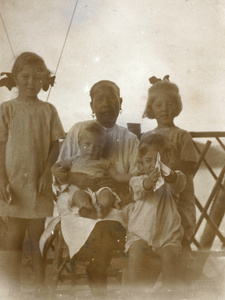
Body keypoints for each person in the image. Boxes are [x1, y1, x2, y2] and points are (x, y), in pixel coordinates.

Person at [41, 80, 139, 297]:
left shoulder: (129, 139)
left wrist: (114, 184)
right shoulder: (78, 130)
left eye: (111, 98)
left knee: (107, 220)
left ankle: (96, 273)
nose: (106, 104)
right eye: (99, 99)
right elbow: (60, 170)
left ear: (120, 102)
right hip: (78, 197)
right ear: (92, 105)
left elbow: (133, 179)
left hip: (110, 200)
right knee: (85, 217)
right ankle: (97, 276)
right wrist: (78, 178)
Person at [0, 52, 65, 298]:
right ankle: (11, 291)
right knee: (13, 239)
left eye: (37, 78)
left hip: (40, 185)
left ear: (44, 80)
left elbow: (55, 145)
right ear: (15, 78)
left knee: (38, 241)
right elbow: (0, 145)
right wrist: (2, 180)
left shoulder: (48, 110)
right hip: (13, 185)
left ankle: (41, 292)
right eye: (25, 77)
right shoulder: (6, 109)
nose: (30, 82)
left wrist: (47, 173)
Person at [121, 133, 186, 295]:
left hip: (168, 234)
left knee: (171, 258)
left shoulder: (172, 181)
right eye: (148, 160)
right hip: (141, 233)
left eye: (160, 159)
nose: (154, 164)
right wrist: (150, 181)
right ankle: (136, 295)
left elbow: (178, 182)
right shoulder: (136, 180)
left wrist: (167, 172)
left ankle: (169, 295)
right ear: (141, 164)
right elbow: (142, 188)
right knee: (136, 255)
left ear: (168, 162)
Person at [142, 76, 198, 253]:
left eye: (169, 104)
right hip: (157, 194)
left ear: (177, 107)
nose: (164, 109)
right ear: (151, 108)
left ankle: (183, 275)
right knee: (157, 230)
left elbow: (190, 165)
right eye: (158, 105)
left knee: (181, 232)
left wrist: (168, 170)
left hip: (180, 193)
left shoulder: (182, 135)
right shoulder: (147, 137)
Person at [54, 121, 136, 220]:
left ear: (103, 148)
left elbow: (118, 176)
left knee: (107, 193)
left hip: (99, 190)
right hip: (81, 190)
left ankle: (103, 208)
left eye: (97, 146)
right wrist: (56, 171)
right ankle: (87, 209)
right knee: (78, 195)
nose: (91, 149)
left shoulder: (104, 162)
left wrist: (135, 175)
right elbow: (58, 166)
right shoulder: (74, 159)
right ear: (79, 144)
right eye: (87, 144)